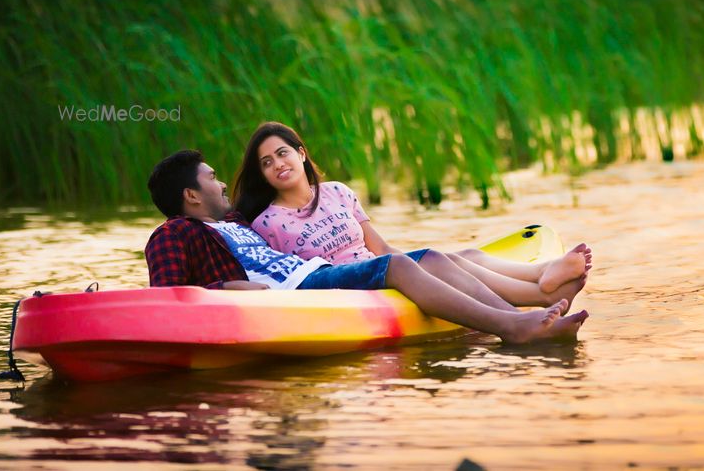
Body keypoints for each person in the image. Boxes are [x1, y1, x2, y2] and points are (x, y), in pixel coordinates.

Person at [144, 150, 588, 344]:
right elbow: (166, 298)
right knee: (395, 264)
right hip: (296, 293)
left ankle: (527, 310)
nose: (221, 183)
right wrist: (227, 289)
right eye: (211, 178)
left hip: (311, 275)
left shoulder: (235, 221)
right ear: (190, 195)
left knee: (432, 257)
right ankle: (514, 326)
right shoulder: (174, 233)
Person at [232, 122, 593, 310]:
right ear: (262, 174)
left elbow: (381, 247)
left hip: (384, 270)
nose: (278, 164)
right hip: (348, 291)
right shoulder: (267, 223)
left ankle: (539, 274)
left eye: (283, 154)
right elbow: (292, 277)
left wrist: (419, 270)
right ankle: (538, 297)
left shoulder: (338, 192)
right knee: (441, 260)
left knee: (456, 257)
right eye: (267, 162)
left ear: (302, 153)